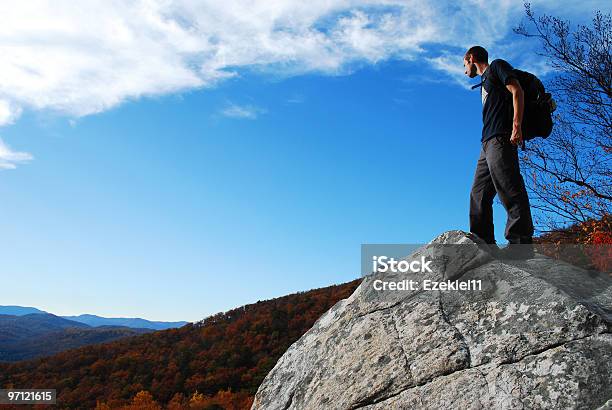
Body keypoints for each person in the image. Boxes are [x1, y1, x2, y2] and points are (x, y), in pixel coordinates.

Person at [463, 46, 534, 258]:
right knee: (478, 194)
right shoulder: (484, 82)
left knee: (509, 187)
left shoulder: (497, 67)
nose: (464, 69)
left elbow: (517, 90)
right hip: (486, 143)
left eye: (464, 64)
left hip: (501, 138)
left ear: (471, 58)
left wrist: (517, 125)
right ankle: (483, 243)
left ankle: (520, 244)